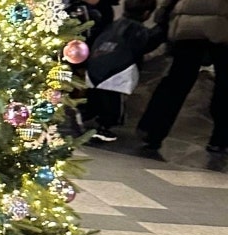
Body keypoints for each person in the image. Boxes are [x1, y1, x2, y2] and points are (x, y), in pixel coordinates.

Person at [137, 0, 228, 154]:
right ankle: (220, 139)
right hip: (223, 24)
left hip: (188, 25)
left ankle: (152, 130)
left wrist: (163, 13)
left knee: (177, 79)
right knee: (224, 84)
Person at [84, 0, 164, 141]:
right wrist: (162, 29)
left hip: (95, 66)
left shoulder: (112, 25)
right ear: (147, 13)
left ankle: (85, 117)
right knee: (114, 103)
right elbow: (147, 44)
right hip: (117, 71)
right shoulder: (137, 30)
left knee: (95, 98)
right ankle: (104, 127)